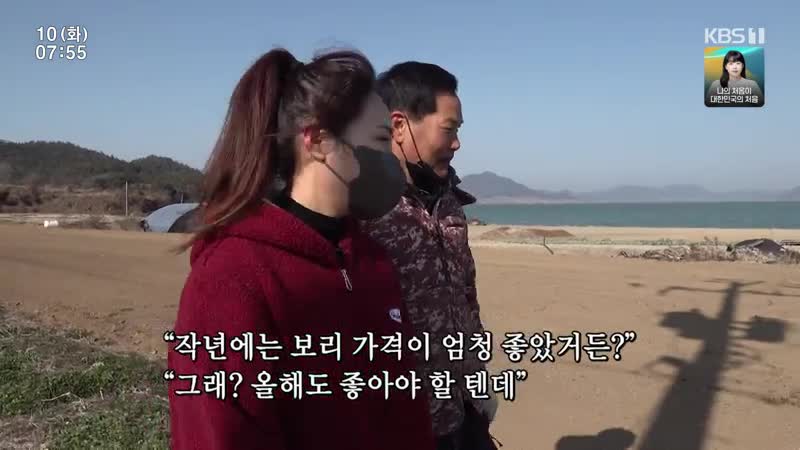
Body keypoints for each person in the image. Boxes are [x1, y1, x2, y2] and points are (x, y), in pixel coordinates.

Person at [167, 48, 436, 450]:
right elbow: (218, 435)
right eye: (381, 140)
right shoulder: (230, 278)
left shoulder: (374, 263)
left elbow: (404, 405)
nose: (392, 161)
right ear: (318, 141)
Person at [360, 61, 499, 450]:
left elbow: (467, 300)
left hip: (464, 410)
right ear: (399, 126)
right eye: (449, 129)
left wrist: (479, 382)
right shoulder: (363, 210)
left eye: (459, 131)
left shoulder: (450, 202)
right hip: (400, 423)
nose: (457, 144)